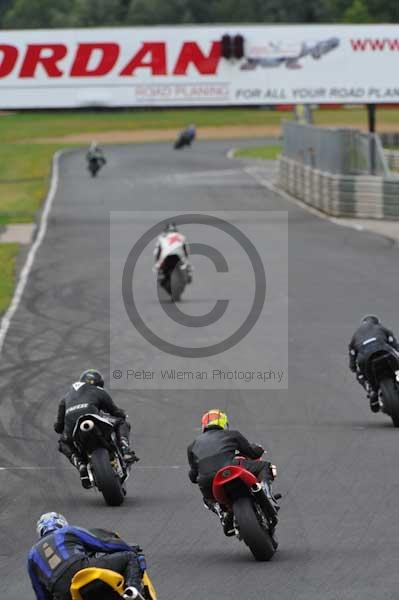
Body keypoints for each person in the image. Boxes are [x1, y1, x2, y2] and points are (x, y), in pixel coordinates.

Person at [187, 409, 278, 536]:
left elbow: (193, 476)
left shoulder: (192, 445)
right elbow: (252, 453)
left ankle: (221, 511)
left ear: (204, 426)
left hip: (207, 481)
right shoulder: (232, 435)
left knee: (207, 498)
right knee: (265, 466)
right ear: (224, 424)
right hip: (230, 468)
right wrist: (259, 448)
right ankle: (268, 495)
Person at [28, 512, 144, 600]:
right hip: (80, 567)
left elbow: (41, 594)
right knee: (129, 557)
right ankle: (132, 592)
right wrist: (129, 548)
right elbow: (104, 544)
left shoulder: (32, 555)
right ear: (62, 523)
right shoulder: (67, 531)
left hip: (60, 589)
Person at [54, 369, 138, 488]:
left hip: (73, 428)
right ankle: (125, 451)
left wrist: (59, 426)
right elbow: (114, 410)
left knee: (63, 443)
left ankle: (81, 466)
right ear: (99, 383)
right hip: (93, 420)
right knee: (122, 423)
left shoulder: (65, 397)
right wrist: (122, 414)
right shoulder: (99, 391)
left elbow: (58, 427)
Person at [349, 315, 399, 413]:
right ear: (377, 322)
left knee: (360, 375)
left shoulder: (355, 336)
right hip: (384, 351)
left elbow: (352, 355)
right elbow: (394, 345)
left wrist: (353, 367)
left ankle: (371, 391)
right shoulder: (382, 328)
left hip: (365, 358)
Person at [153, 222, 192, 287]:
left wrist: (157, 263)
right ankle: (188, 274)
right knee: (187, 266)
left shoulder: (161, 237)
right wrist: (186, 261)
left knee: (158, 267)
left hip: (165, 256)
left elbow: (156, 252)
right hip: (179, 256)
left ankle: (160, 272)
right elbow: (187, 250)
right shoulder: (182, 236)